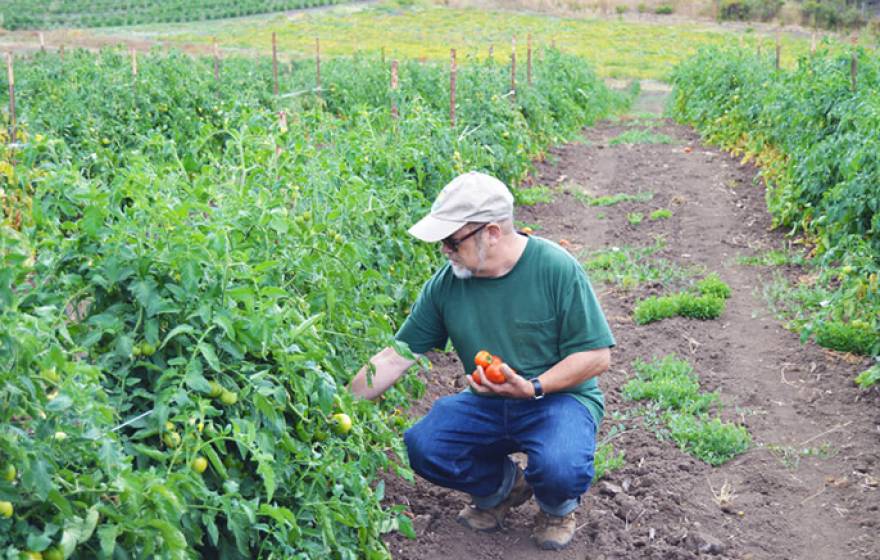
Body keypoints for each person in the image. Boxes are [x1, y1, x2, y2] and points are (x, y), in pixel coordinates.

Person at [349, 171, 614, 551]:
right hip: (486, 402)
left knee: (560, 464)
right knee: (425, 445)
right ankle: (503, 490)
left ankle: (557, 507)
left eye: (452, 241)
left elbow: (596, 356)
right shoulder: (447, 285)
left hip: (556, 399)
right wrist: (338, 408)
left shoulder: (556, 269)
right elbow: (395, 356)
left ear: (491, 232)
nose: (444, 251)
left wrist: (534, 386)